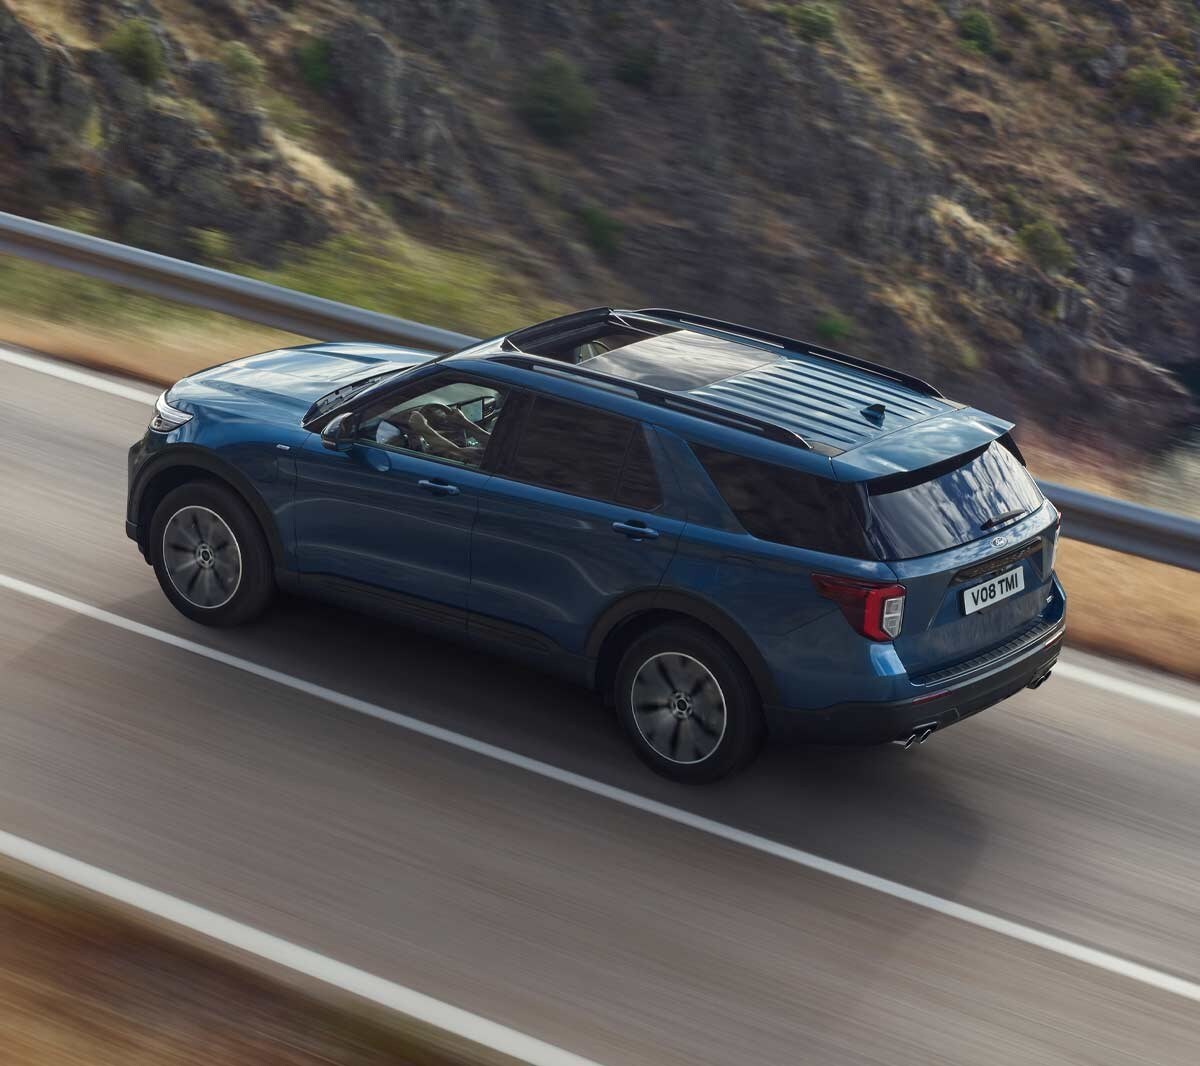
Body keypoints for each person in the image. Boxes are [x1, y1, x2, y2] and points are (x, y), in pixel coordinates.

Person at [376, 403, 491, 464]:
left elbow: (458, 454)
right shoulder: (504, 451)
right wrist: (465, 423)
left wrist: (423, 428)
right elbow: (496, 445)